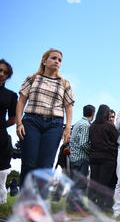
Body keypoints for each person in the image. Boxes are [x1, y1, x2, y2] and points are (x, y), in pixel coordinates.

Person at [15, 49, 75, 186]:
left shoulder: (65, 83)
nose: (57, 61)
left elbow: (69, 107)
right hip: (31, 121)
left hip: (54, 125)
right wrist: (19, 123)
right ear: (44, 61)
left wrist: (67, 127)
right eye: (54, 58)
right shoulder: (33, 78)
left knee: (46, 165)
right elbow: (21, 101)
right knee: (29, 163)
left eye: (59, 60)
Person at [89, 104, 119, 211]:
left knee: (94, 182)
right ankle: (104, 205)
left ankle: (92, 204)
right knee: (106, 183)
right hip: (108, 158)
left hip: (94, 157)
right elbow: (118, 141)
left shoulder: (92, 126)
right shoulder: (109, 126)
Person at [0, 59, 17, 204]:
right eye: (0, 70)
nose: (1, 74)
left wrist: (1, 126)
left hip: (0, 136)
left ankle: (2, 202)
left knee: (1, 171)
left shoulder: (10, 95)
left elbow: (14, 118)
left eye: (5, 73)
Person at [69, 105, 95, 176]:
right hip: (81, 159)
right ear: (93, 113)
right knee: (80, 185)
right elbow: (83, 143)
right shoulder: (85, 125)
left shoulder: (78, 123)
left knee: (74, 184)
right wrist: (92, 152)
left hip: (73, 158)